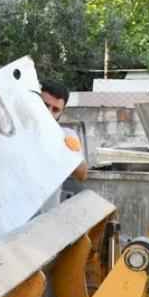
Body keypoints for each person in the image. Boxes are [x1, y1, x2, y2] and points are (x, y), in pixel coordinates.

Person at [40, 80, 88, 211]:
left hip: (45, 218)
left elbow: (82, 174)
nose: (49, 113)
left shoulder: (66, 135)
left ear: (62, 112)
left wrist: (59, 142)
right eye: (45, 106)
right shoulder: (16, 131)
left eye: (55, 110)